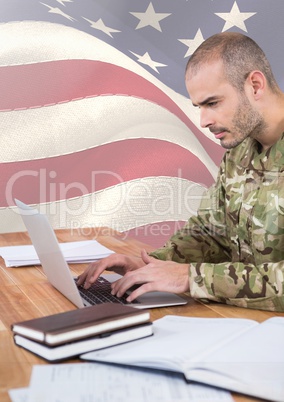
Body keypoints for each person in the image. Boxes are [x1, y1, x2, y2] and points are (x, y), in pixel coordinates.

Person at [77, 32, 284, 312]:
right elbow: (211, 233)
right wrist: (150, 263)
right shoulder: (240, 152)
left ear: (255, 86)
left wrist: (191, 277)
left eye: (213, 103)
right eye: (199, 107)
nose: (204, 121)